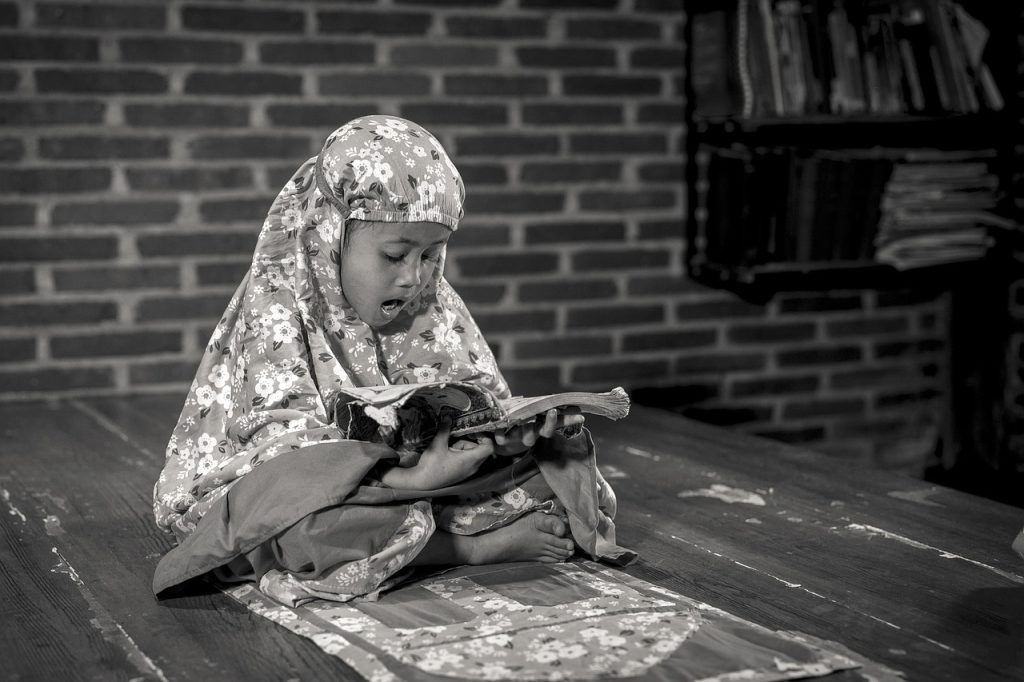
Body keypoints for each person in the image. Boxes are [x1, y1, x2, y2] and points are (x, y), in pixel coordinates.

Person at [152, 115, 632, 606]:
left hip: (426, 478)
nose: (414, 278)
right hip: (329, 490)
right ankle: (466, 548)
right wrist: (411, 480)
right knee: (302, 526)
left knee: (566, 474)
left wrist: (508, 438)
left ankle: (419, 530)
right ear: (330, 234)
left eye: (431, 255)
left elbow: (473, 396)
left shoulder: (432, 302)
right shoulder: (278, 304)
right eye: (395, 256)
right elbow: (285, 458)